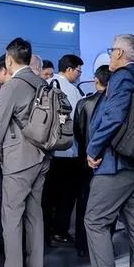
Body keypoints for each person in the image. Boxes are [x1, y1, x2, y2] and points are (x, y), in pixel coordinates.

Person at [85, 34, 134, 267]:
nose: (110, 54)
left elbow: (114, 117)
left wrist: (93, 148)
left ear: (119, 53)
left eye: (112, 49)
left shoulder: (122, 77)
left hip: (117, 162)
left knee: (95, 221)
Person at [0, 38, 49, 267]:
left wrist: (0, 156)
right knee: (34, 212)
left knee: (11, 216)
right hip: (43, 157)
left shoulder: (12, 86)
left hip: (19, 160)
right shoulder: (41, 82)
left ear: (9, 60)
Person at [44, 54, 84, 247]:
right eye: (78, 71)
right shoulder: (72, 91)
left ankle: (46, 232)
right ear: (69, 69)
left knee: (48, 194)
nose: (79, 74)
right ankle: (60, 231)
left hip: (47, 151)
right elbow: (78, 121)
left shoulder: (44, 85)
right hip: (68, 151)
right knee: (66, 196)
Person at [73, 65, 111, 257]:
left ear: (96, 80)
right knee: (108, 205)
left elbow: (77, 132)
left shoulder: (83, 103)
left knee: (84, 200)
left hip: (84, 159)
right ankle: (104, 246)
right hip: (108, 159)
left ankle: (82, 244)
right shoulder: (115, 104)